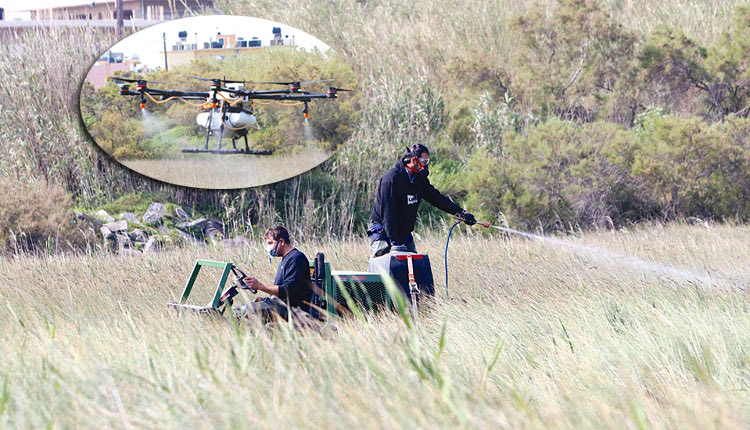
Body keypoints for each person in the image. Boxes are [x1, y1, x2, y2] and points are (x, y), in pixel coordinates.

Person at [368, 144, 476, 258]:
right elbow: (388, 213)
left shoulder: (419, 180)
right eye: (424, 161)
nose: (426, 165)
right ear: (414, 160)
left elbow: (437, 199)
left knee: (414, 268)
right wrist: (394, 243)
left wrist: (462, 213)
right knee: (384, 270)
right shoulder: (390, 180)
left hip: (403, 231)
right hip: (383, 230)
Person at [234, 226, 313, 323]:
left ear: (282, 242)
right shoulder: (286, 259)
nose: (269, 247)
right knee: (238, 309)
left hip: (293, 310)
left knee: (242, 311)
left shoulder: (296, 258)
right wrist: (265, 300)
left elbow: (287, 291)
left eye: (271, 243)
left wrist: (259, 286)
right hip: (281, 305)